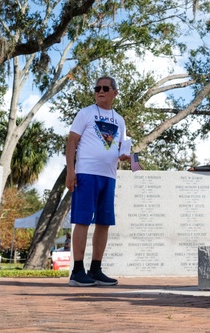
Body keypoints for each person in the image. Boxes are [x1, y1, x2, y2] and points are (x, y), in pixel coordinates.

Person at [65, 76, 130, 287]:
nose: (100, 91)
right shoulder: (85, 113)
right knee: (83, 220)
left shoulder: (119, 120)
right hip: (86, 173)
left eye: (105, 88)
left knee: (104, 222)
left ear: (114, 93)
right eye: (97, 88)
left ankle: (96, 269)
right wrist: (70, 171)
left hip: (109, 175)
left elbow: (123, 147)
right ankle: (77, 270)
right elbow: (72, 142)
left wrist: (129, 158)